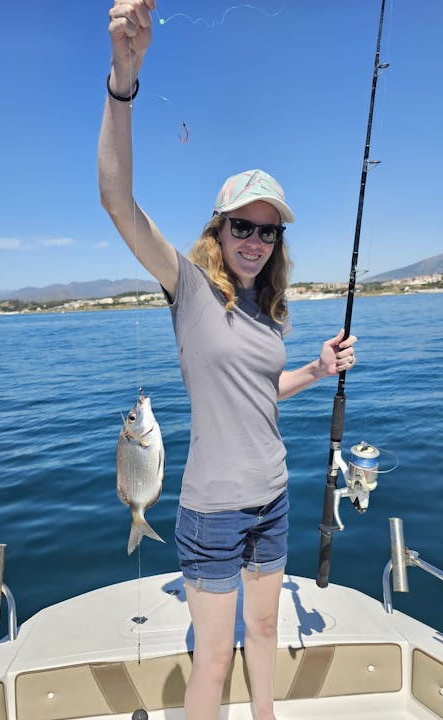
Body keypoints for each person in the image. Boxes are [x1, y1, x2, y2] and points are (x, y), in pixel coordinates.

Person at [98, 2, 357, 719]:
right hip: (212, 512)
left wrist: (316, 369)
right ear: (219, 229)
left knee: (265, 633)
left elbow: (260, 390)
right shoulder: (186, 287)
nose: (255, 241)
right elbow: (117, 202)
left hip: (273, 495)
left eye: (268, 232)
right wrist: (125, 77)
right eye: (243, 226)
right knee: (212, 660)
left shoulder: (270, 308)